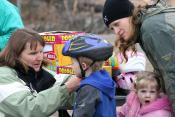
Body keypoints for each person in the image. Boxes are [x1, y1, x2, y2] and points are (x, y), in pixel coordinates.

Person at [102, 0, 175, 113]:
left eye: (117, 24)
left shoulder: (151, 29)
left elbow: (172, 74)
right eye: (112, 28)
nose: (116, 32)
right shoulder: (148, 25)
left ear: (129, 15)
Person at [0, 28, 81, 117]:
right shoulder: (3, 75)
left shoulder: (39, 72)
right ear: (16, 55)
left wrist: (85, 78)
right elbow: (29, 108)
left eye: (41, 51)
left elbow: (63, 85)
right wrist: (67, 88)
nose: (40, 58)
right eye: (33, 53)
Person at [62, 34, 116, 117]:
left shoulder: (88, 88)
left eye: (72, 63)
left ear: (83, 66)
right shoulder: (105, 80)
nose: (71, 66)